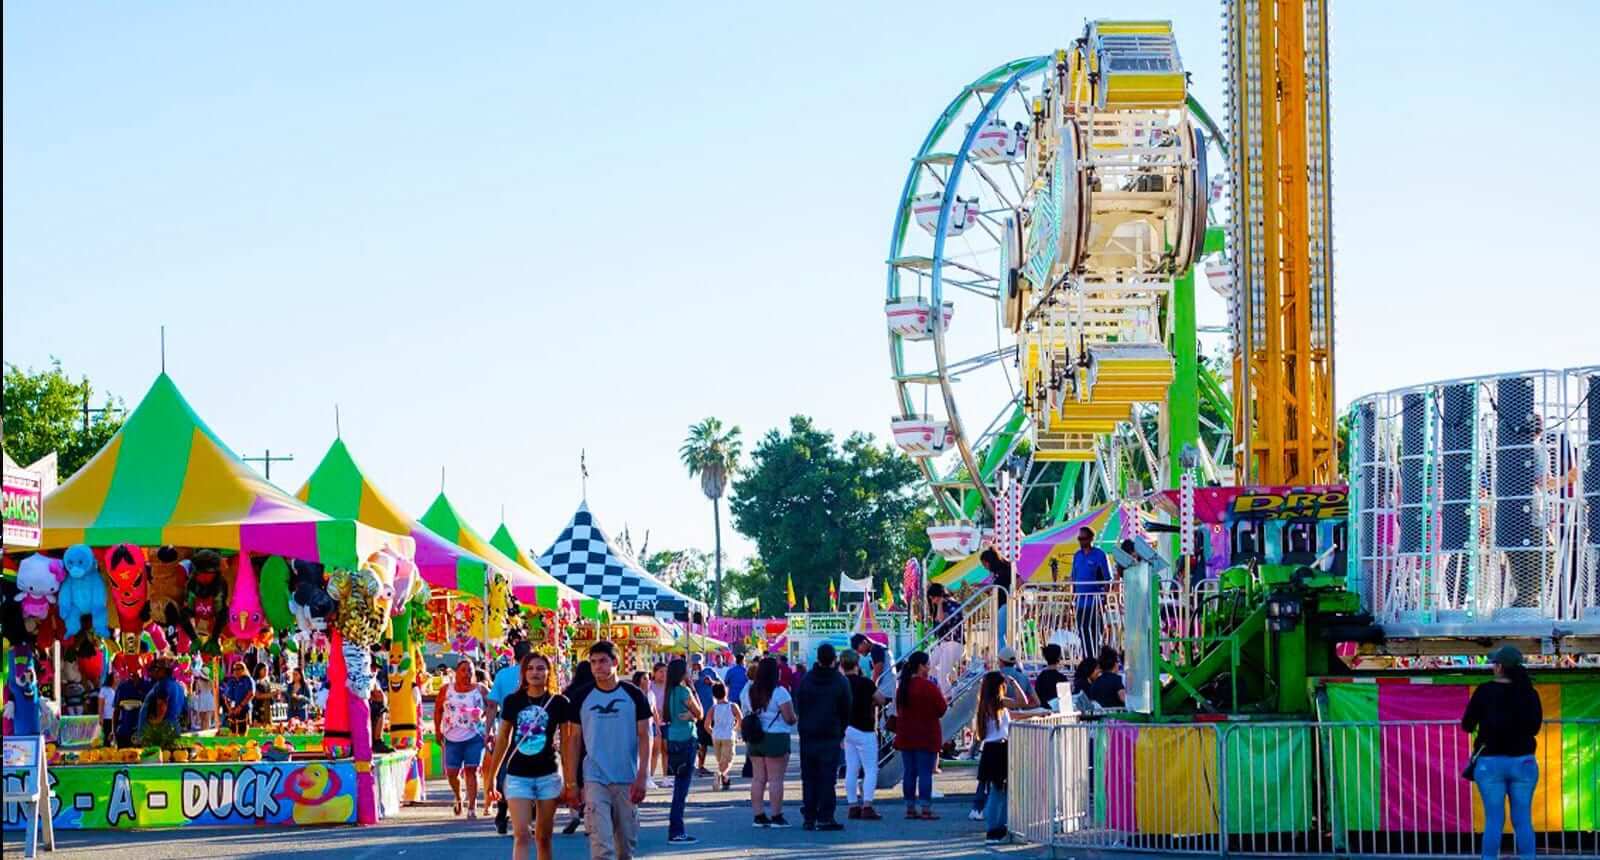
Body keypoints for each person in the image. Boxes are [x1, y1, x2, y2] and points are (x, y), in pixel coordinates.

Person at [562, 641, 651, 860]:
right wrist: (571, 783)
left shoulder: (634, 694)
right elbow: (573, 740)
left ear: (615, 662)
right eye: (593, 662)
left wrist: (643, 776)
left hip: (626, 778)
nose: (597, 667)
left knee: (625, 849)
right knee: (601, 846)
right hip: (594, 778)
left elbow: (645, 736)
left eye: (603, 661)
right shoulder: (582, 696)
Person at [484, 653, 569, 860]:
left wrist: (569, 780)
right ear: (523, 673)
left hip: (548, 773)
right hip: (517, 775)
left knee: (543, 837)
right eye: (530, 668)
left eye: (540, 668)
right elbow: (503, 738)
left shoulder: (559, 702)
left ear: (549, 672)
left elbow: (567, 743)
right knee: (521, 834)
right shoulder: (513, 701)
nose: (535, 673)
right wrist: (492, 777)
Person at [1462, 645, 1543, 860]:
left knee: (1494, 820)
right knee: (1523, 819)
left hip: (1490, 764)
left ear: (1499, 667)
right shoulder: (1529, 693)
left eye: (1493, 664)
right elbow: (1535, 727)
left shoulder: (1484, 691)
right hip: (1523, 763)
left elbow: (1467, 724)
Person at [795, 643, 851, 831]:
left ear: (817, 658)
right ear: (834, 659)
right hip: (830, 734)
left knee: (809, 777)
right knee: (828, 778)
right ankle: (825, 816)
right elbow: (846, 709)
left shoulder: (807, 679)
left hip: (808, 734)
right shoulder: (840, 681)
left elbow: (799, 704)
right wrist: (840, 729)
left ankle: (809, 815)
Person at [741, 655, 797, 828]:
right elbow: (789, 718)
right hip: (776, 737)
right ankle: (776, 816)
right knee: (775, 779)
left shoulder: (748, 690)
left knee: (758, 779)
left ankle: (758, 816)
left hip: (755, 736)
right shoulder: (780, 692)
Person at [975, 670, 1028, 845]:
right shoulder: (998, 702)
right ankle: (994, 829)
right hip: (999, 748)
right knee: (999, 791)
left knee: (999, 790)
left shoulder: (984, 703)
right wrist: (1014, 681)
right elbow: (1023, 702)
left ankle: (999, 827)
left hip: (991, 748)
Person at [893, 650, 947, 820]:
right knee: (925, 773)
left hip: (906, 735)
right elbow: (942, 709)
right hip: (927, 735)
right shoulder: (929, 686)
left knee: (909, 772)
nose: (930, 668)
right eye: (928, 664)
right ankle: (925, 808)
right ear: (921, 666)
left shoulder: (903, 687)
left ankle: (910, 808)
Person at [489, 640, 536, 835]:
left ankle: (501, 813)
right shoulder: (535, 674)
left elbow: (492, 705)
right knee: (532, 773)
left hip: (506, 732)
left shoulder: (502, 675)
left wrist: (488, 730)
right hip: (532, 732)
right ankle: (530, 817)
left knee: (504, 771)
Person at [434, 657, 489, 818]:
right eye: (463, 670)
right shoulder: (446, 690)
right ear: (456, 672)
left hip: (474, 736)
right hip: (452, 736)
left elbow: (493, 707)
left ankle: (472, 808)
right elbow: (438, 710)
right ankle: (458, 797)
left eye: (470, 670)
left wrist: (484, 719)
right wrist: (438, 730)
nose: (467, 674)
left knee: (471, 770)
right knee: (452, 772)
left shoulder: (480, 689)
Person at [840, 650, 888, 820]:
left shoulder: (840, 683)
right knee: (870, 769)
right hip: (865, 729)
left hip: (846, 729)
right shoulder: (866, 683)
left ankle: (852, 805)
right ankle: (867, 805)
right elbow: (881, 699)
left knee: (851, 768)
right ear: (857, 664)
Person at [661, 657, 703, 844]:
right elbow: (700, 713)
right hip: (686, 738)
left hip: (673, 738)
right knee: (681, 789)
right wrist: (693, 688)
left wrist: (692, 717)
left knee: (679, 785)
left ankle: (675, 828)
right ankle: (676, 830)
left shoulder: (669, 692)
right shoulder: (684, 690)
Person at [560, 660, 597, 837]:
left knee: (573, 776)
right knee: (588, 779)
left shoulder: (569, 691)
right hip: (590, 736)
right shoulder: (594, 691)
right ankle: (589, 818)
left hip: (571, 736)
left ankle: (574, 813)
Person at [1072, 528, 1113, 657]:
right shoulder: (1077, 556)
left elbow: (1107, 579)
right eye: (1079, 538)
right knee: (1082, 631)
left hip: (1094, 602)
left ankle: (1095, 659)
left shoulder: (1100, 555)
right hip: (1080, 603)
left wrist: (1104, 601)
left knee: (1095, 632)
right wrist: (1072, 600)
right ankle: (1086, 658)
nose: (1081, 541)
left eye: (1083, 538)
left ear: (1090, 539)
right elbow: (1073, 578)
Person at [927, 585, 964, 694]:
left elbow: (941, 619)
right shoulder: (943, 605)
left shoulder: (953, 605)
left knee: (942, 676)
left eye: (933, 598)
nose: (933, 601)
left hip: (954, 643)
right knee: (928, 666)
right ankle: (954, 682)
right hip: (943, 643)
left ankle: (948, 697)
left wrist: (939, 605)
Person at [707, 682, 741, 790]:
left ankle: (725, 779)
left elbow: (706, 724)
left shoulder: (713, 708)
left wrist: (712, 732)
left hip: (716, 736)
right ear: (726, 692)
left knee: (721, 760)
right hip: (728, 735)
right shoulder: (733, 706)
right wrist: (735, 729)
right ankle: (720, 774)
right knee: (728, 760)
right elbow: (740, 719)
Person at [980, 548, 1014, 647]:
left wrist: (1013, 596)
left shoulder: (1004, 569)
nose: (985, 567)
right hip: (1003, 604)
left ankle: (1003, 655)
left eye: (984, 564)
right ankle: (1004, 654)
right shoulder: (997, 572)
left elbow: (1019, 580)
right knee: (1002, 633)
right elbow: (995, 588)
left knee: (998, 633)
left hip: (1006, 604)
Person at [693, 660, 717, 776]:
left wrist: (712, 682)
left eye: (698, 664)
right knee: (698, 740)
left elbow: (721, 685)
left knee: (706, 741)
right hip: (697, 712)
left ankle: (701, 766)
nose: (697, 666)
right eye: (694, 664)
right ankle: (696, 765)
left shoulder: (710, 671)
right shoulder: (691, 674)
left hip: (710, 711)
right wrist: (692, 682)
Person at [647, 662, 669, 788]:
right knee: (655, 750)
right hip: (654, 722)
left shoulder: (668, 687)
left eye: (665, 672)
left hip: (666, 721)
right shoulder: (650, 687)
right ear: (654, 673)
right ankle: (650, 776)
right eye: (661, 671)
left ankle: (665, 777)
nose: (663, 674)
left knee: (666, 750)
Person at [220, 660, 254, 735]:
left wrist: (240, 706)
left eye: (238, 669)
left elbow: (251, 693)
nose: (236, 671)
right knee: (233, 732)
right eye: (234, 669)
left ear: (243, 669)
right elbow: (226, 697)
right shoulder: (231, 681)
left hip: (244, 709)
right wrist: (230, 709)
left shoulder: (247, 680)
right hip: (233, 710)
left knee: (243, 732)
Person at [251, 663, 277, 728]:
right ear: (259, 670)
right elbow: (257, 695)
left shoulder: (267, 681)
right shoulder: (255, 681)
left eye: (267, 670)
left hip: (267, 708)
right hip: (258, 708)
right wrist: (272, 694)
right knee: (258, 727)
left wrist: (275, 693)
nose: (266, 671)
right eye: (264, 669)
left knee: (267, 728)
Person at [98, 670, 119, 741]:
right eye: (116, 677)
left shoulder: (120, 689)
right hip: (107, 718)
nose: (118, 679)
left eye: (118, 677)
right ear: (111, 679)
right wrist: (101, 717)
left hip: (117, 718)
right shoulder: (104, 690)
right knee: (107, 739)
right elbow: (101, 705)